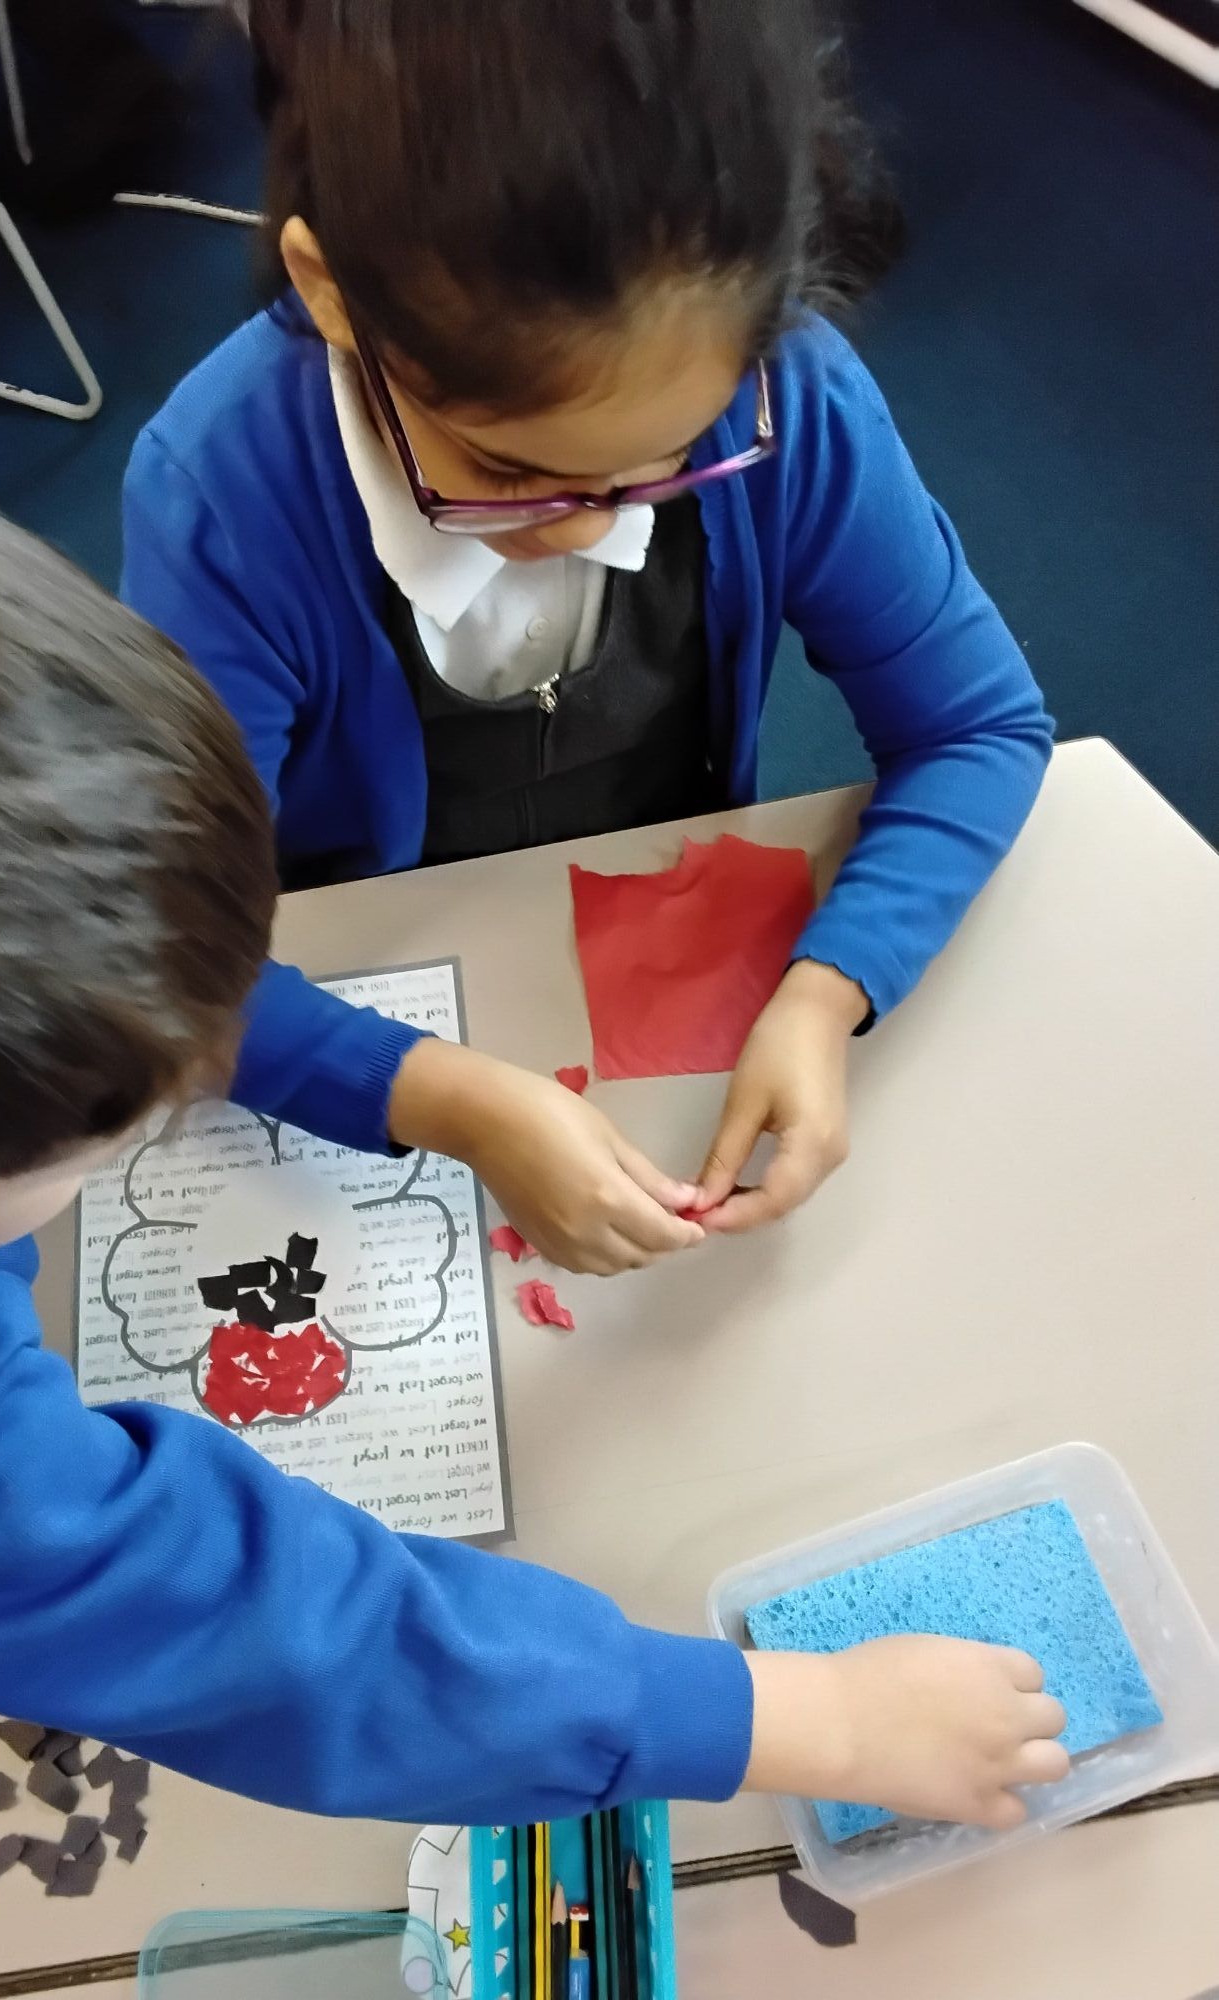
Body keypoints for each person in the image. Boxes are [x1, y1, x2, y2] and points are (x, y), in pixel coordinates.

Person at [0, 416, 1069, 1831]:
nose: (172, 1109)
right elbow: (246, 1628)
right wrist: (810, 1720)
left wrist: (432, 1093)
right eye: (110, 1122)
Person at [121, 0, 1054, 1272]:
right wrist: (441, 1099)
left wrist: (832, 986)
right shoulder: (226, 494)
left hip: (647, 958)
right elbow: (154, 939)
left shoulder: (795, 400)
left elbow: (978, 723)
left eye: (663, 469)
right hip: (368, 978)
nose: (588, 533)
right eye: (503, 471)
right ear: (332, 293)